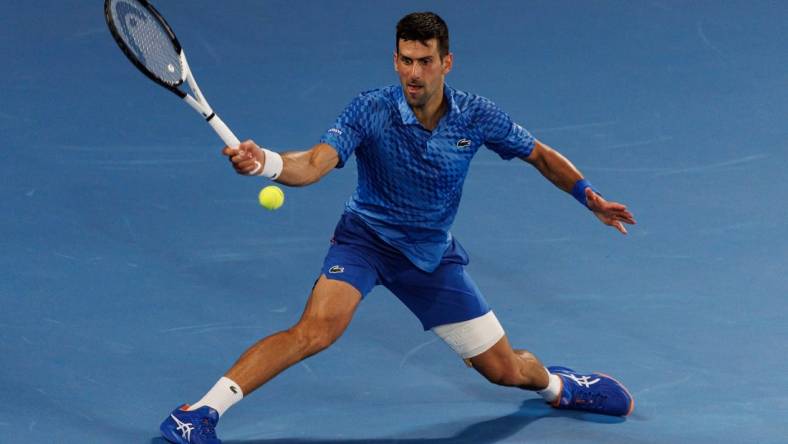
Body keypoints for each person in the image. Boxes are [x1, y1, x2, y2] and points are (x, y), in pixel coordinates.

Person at [160, 11, 637, 444]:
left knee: (505, 370)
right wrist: (264, 162)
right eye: (406, 60)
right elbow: (313, 164)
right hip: (365, 241)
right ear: (395, 60)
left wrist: (586, 194)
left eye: (425, 61)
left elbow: (538, 153)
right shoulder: (371, 110)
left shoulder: (477, 114)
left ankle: (561, 387)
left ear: (446, 62)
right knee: (316, 330)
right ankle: (197, 413)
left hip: (430, 256)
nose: (414, 72)